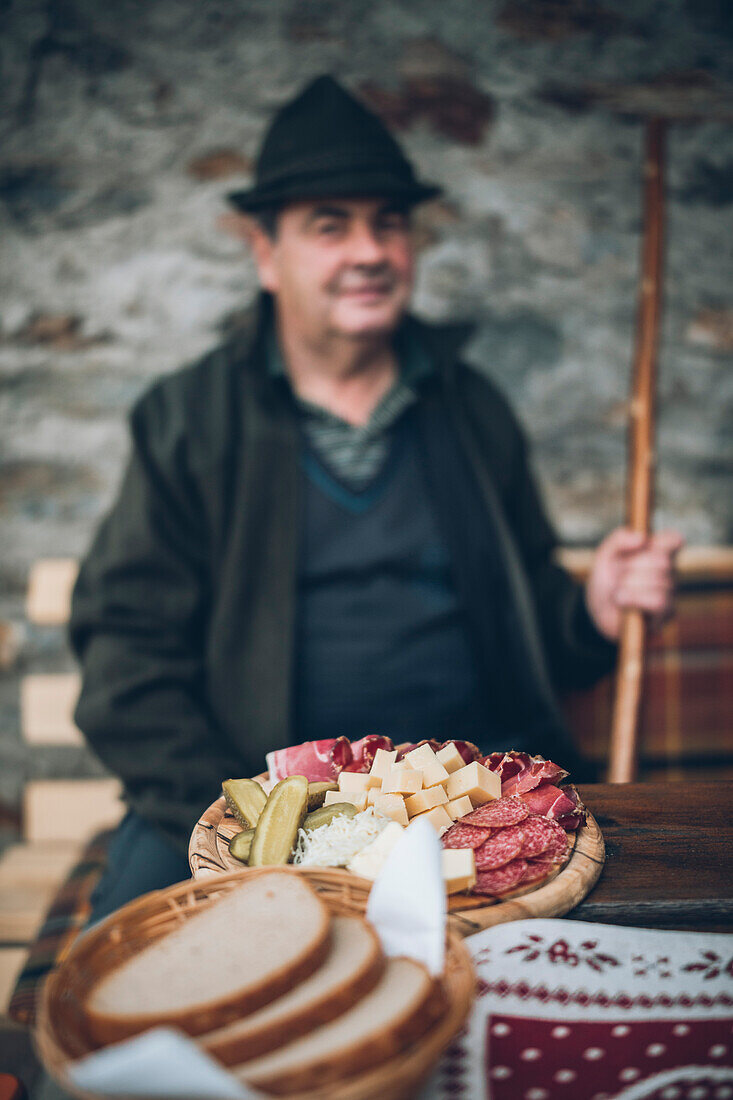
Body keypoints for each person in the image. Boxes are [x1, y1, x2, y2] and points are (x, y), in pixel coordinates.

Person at [69, 75, 682, 922]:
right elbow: (125, 661)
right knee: (129, 1006)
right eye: (330, 226)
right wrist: (243, 828)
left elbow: (530, 619)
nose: (368, 251)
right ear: (263, 253)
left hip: (465, 813)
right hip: (249, 812)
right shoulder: (189, 420)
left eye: (387, 223)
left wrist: (593, 613)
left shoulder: (470, 410)